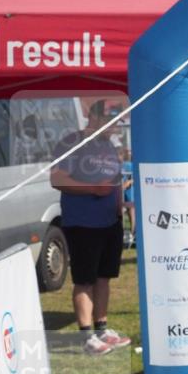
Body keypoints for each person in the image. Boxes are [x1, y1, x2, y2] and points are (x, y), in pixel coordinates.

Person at [50, 100, 133, 356]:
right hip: (83, 223)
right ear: (94, 118)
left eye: (117, 121)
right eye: (111, 120)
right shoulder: (71, 143)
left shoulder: (109, 146)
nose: (115, 126)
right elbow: (57, 178)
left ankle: (102, 329)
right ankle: (87, 336)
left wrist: (119, 209)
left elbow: (115, 182)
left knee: (104, 278)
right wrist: (92, 189)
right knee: (84, 280)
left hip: (110, 222)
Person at [120, 148, 135, 248]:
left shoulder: (128, 165)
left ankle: (132, 235)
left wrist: (129, 182)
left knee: (131, 210)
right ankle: (121, 236)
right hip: (118, 193)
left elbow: (135, 177)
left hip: (128, 192)